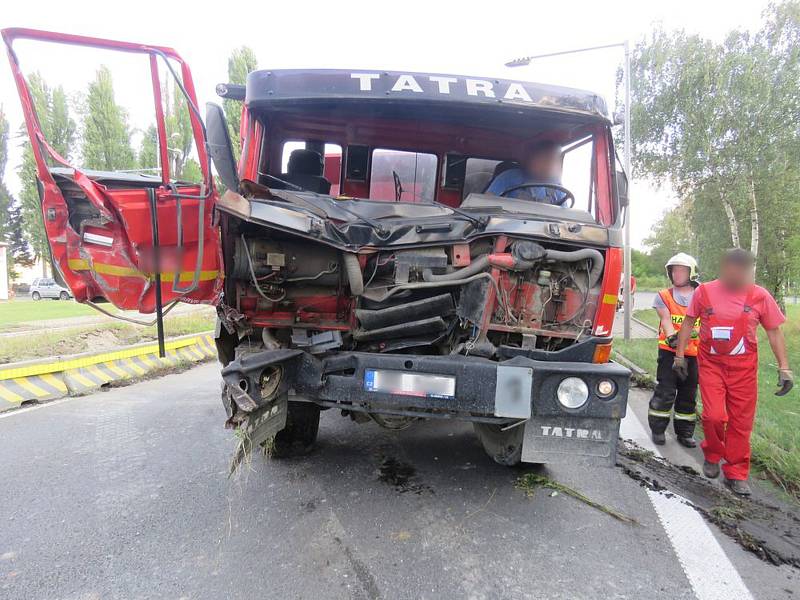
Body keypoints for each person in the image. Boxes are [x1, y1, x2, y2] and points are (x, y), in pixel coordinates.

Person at [673, 249, 794, 496]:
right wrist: (679, 356)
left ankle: (736, 474)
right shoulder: (704, 292)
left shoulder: (760, 296)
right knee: (714, 416)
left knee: (741, 423)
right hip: (712, 366)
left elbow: (774, 332)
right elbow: (688, 322)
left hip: (744, 371)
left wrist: (784, 368)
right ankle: (713, 454)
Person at [648, 253, 701, 447]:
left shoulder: (703, 295)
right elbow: (666, 320)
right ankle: (658, 429)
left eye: (682, 270)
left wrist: (692, 334)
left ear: (691, 272)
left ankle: (685, 432)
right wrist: (673, 338)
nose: (677, 274)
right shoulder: (663, 296)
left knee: (688, 395)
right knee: (665, 391)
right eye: (674, 270)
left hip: (694, 355)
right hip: (669, 353)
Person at [485, 139, 566, 204]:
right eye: (545, 159)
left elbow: (565, 217)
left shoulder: (557, 187)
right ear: (531, 160)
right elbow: (485, 204)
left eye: (554, 160)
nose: (550, 165)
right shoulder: (509, 177)